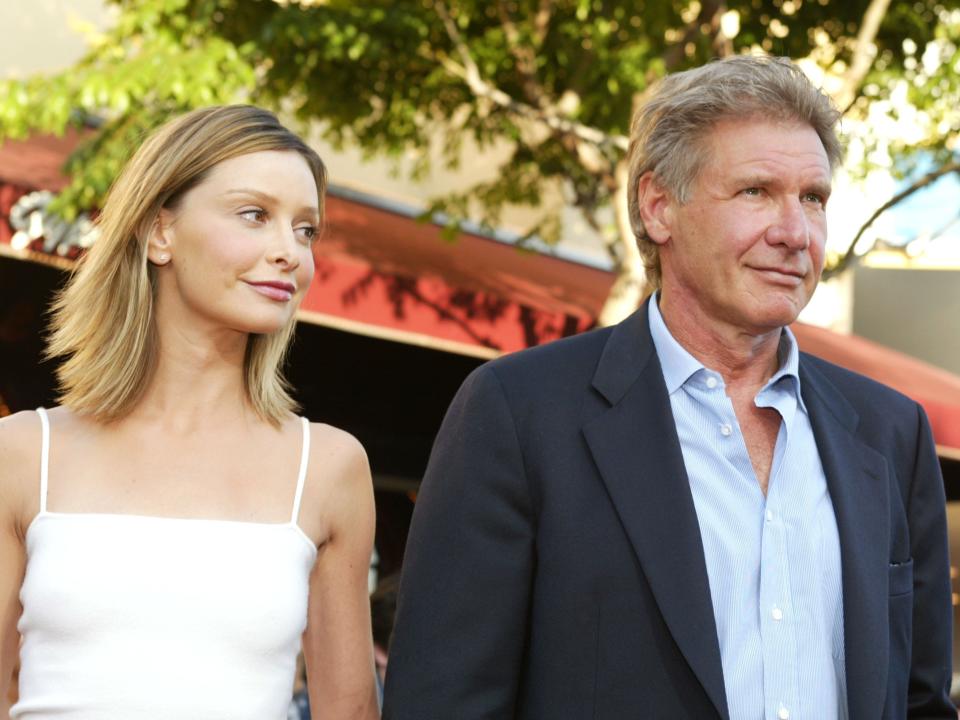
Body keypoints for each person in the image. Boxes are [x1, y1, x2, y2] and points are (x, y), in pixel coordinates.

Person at [382, 56, 955, 719]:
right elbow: (443, 702)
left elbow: (919, 700)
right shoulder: (519, 414)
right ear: (659, 207)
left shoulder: (890, 430)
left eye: (813, 198)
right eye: (755, 192)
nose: (795, 233)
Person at [0, 105, 379, 719]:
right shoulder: (23, 453)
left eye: (306, 229)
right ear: (159, 233)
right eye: (255, 215)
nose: (290, 252)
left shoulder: (329, 466)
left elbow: (350, 711)